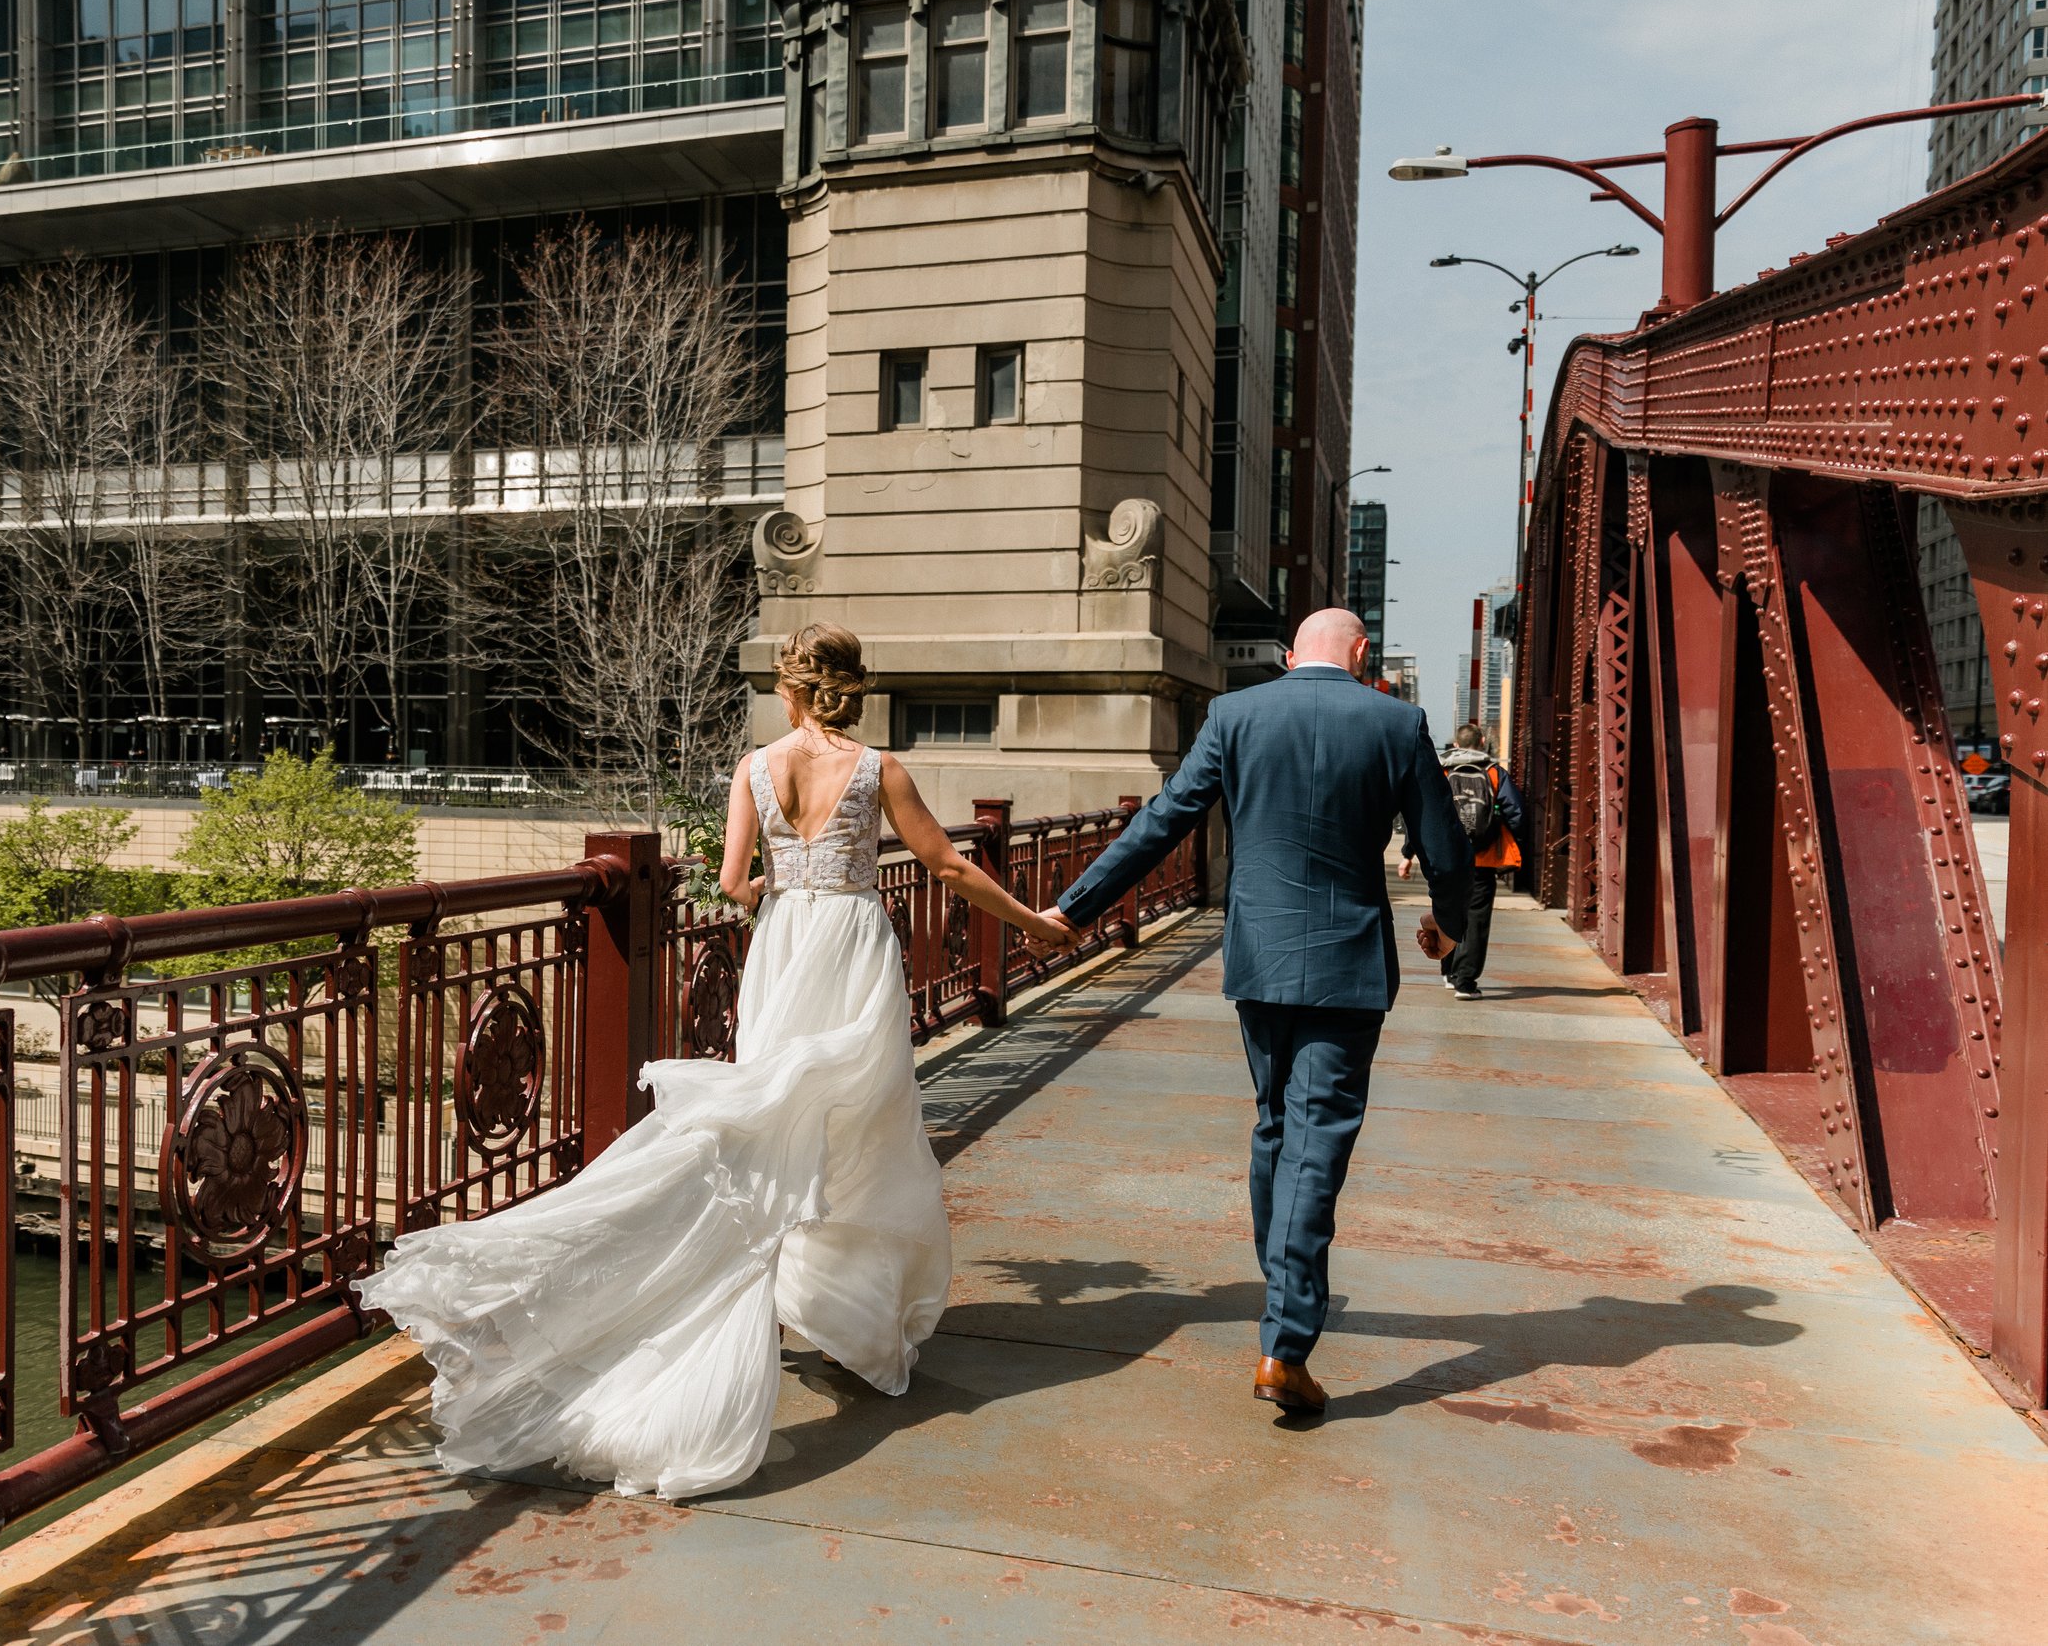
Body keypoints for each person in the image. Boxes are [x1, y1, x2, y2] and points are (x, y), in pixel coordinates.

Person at [356, 622, 1076, 1500]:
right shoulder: (880, 769)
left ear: (794, 689)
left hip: (784, 951)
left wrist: (776, 889)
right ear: (850, 688)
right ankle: (853, 1317)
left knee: (766, 1135)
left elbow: (736, 881)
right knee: (862, 1131)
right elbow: (949, 866)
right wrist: (1034, 922)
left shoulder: (753, 770)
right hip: (851, 948)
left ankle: (768, 1301)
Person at [1036, 609, 1472, 1417]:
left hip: (1260, 958)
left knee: (1276, 1125)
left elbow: (1163, 820)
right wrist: (1447, 927)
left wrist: (1080, 904)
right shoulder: (1396, 720)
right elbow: (1446, 849)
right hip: (1347, 964)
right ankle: (1285, 1342)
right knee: (1319, 1140)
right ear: (1362, 653)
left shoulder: (1235, 715)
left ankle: (1283, 1301)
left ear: (1286, 655)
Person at [1397, 721, 1524, 1000]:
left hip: (1448, 858)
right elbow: (1516, 811)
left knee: (1447, 909)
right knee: (1477, 920)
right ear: (1481, 744)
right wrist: (1501, 836)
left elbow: (1421, 815)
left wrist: (1408, 855)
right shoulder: (1493, 773)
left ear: (1455, 744)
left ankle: (1447, 969)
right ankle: (1464, 981)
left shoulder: (1442, 771)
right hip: (1483, 859)